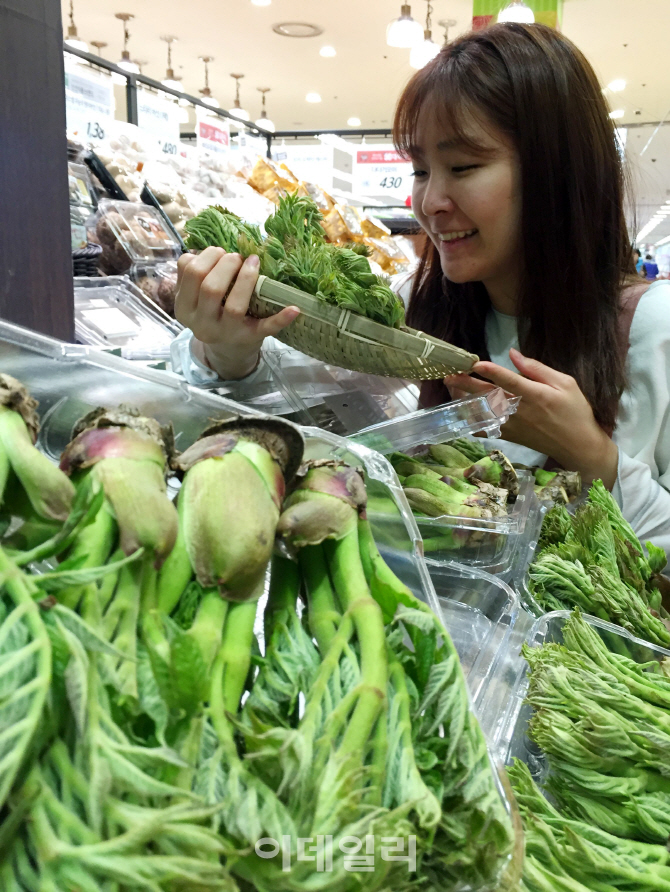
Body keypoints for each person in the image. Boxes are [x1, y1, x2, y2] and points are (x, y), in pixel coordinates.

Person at [173, 23, 670, 557]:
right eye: (419, 169)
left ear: (557, 172)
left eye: (463, 167)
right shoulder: (415, 305)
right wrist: (224, 346)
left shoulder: (652, 329)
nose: (429, 201)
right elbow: (273, 387)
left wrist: (593, 458)